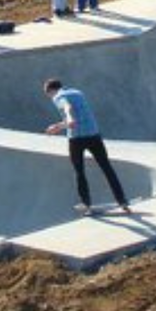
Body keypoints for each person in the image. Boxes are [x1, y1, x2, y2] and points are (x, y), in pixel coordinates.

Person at [43, 78, 131, 215]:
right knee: (107, 167)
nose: (49, 97)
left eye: (47, 94)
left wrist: (69, 118)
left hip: (76, 139)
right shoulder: (78, 93)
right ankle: (122, 201)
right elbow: (76, 116)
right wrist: (59, 126)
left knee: (79, 171)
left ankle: (86, 204)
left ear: (51, 90)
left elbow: (67, 107)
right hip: (94, 135)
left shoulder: (58, 97)